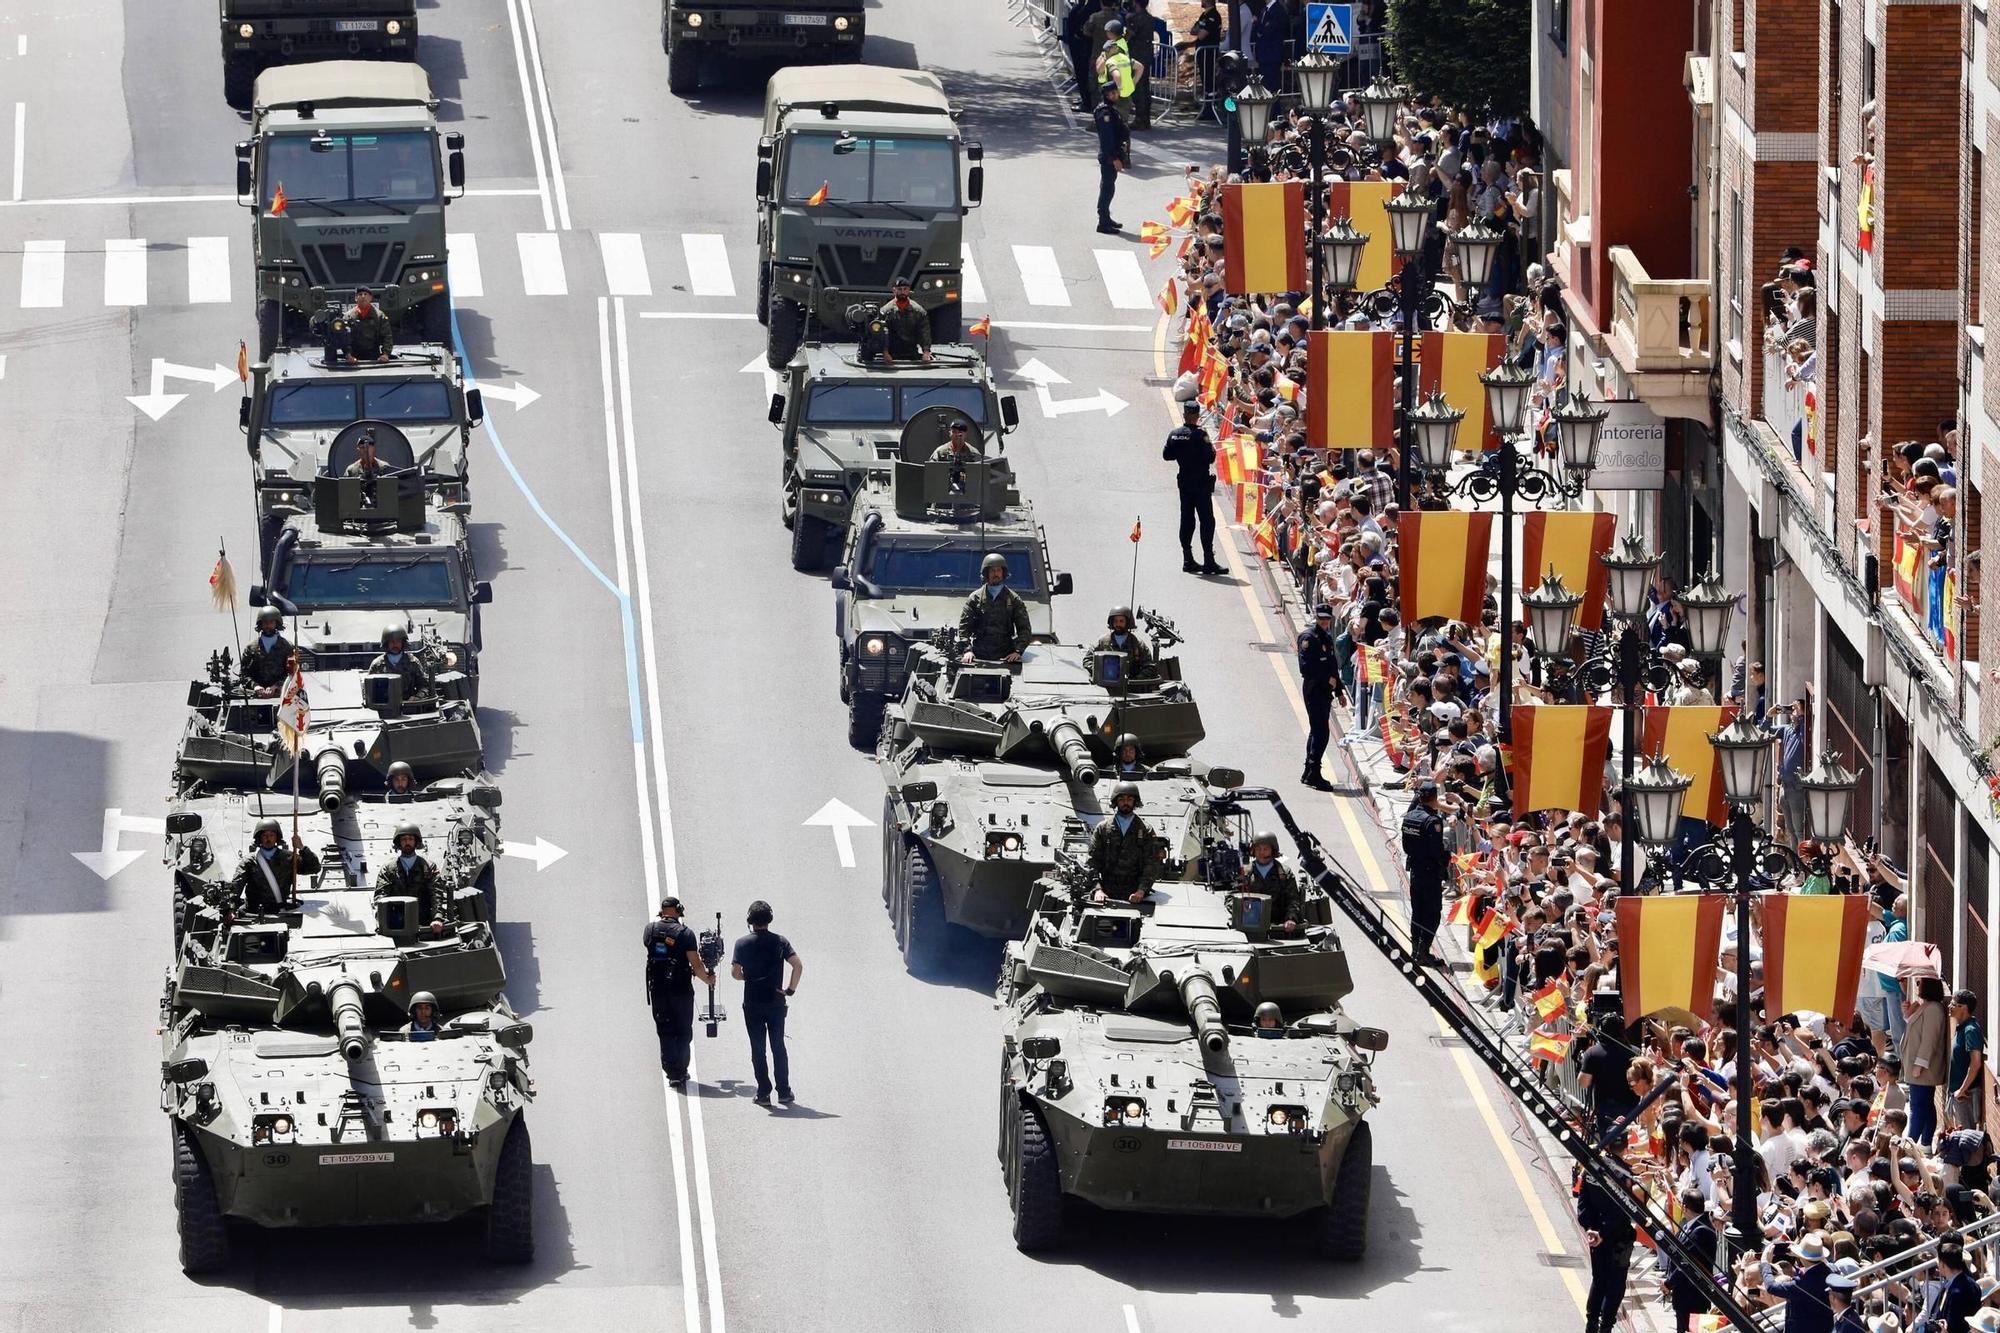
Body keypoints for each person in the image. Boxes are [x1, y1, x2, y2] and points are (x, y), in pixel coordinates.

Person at [732, 900, 802, 1105]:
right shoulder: (780, 941)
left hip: (752, 1002)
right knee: (778, 1046)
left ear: (750, 921)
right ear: (769, 919)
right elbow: (797, 965)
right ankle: (784, 1091)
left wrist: (749, 978)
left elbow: (735, 974)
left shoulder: (742, 943)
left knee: (758, 1048)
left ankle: (763, 1092)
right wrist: (789, 990)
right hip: (776, 1002)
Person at [643, 896, 713, 1087]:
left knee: (664, 1031)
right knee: (683, 1031)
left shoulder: (649, 930)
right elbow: (696, 965)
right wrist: (708, 979)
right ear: (678, 909)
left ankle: (672, 1072)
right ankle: (681, 1070)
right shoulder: (685, 933)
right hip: (680, 991)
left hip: (657, 990)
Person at [1578, 1135, 1638, 1333]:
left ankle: (1592, 1322)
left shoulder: (1590, 1171)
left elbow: (1583, 1205)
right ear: (1626, 1147)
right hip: (1617, 1238)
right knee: (1616, 1283)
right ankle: (1605, 1326)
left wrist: (1591, 1229)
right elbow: (1622, 1212)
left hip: (1597, 1237)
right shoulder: (1624, 1175)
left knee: (1599, 1279)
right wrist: (1602, 1232)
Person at [1161, 399, 1222, 574]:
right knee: (1207, 521)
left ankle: (1187, 558)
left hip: (1185, 483)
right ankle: (1208, 559)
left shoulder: (1175, 434)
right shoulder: (1201, 435)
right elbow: (1210, 457)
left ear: (1184, 415)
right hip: (1201, 484)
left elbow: (1167, 455)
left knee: (1186, 519)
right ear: (1197, 416)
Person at [1400, 782, 1448, 966]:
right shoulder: (1432, 821)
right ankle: (1423, 951)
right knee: (1433, 913)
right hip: (1430, 873)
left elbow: (1406, 846)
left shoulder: (1410, 816)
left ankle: (1415, 949)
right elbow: (1436, 851)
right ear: (1434, 798)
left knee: (1418, 912)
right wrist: (1446, 857)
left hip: (1415, 872)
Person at [1660, 1187, 1720, 1333]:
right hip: (1683, 1294)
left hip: (1693, 1296)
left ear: (1684, 1207)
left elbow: (1687, 1264)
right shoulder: (1689, 1225)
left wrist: (1668, 1283)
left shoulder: (1701, 1231)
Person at [375, 821, 450, 935]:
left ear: (416, 842)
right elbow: (381, 896)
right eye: (404, 839)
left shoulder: (428, 867)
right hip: (395, 923)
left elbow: (436, 893)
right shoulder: (388, 868)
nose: (407, 842)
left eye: (410, 839)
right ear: (399, 843)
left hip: (424, 923)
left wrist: (437, 918)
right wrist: (381, 921)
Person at [232, 817, 321, 913]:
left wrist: (302, 848)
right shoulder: (249, 861)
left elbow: (314, 868)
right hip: (254, 911)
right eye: (264, 835)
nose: (268, 838)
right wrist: (231, 909)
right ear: (259, 838)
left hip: (280, 910)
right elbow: (236, 885)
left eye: (271, 835)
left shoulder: (289, 858)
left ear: (277, 837)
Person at [1752, 1230, 1832, 1333]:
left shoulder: (1803, 1283)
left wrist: (1765, 1263)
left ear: (1802, 1257)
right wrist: (1799, 1253)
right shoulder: (1828, 1271)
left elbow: (1771, 1287)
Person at [958, 553, 1033, 663]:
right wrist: (967, 650)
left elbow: (1024, 629)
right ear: (986, 573)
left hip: (1006, 655)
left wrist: (1017, 651)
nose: (996, 574)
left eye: (998, 570)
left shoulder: (1013, 599)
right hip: (979, 654)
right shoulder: (975, 598)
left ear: (1003, 573)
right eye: (992, 570)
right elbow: (964, 628)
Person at [1090, 781, 1157, 903]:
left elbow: (1151, 864)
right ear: (1116, 801)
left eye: (1129, 799)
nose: (1126, 803)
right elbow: (1093, 862)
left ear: (1135, 802)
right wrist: (1097, 889)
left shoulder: (1145, 830)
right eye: (1121, 799)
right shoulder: (1103, 828)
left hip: (1135, 893)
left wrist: (1141, 890)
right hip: (1106, 892)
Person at [1905, 975, 1951, 1146]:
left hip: (1923, 1069)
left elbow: (1929, 1039)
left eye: (1919, 983)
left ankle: (1909, 1144)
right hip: (1919, 1068)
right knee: (1926, 1106)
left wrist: (1919, 1064)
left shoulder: (1933, 1009)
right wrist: (1909, 1014)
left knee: (1917, 1107)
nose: (1917, 986)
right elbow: (1914, 1031)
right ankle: (1925, 1143)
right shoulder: (1925, 1007)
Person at [1297, 603, 1338, 790]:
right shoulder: (1309, 638)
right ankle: (1314, 771)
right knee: (1320, 732)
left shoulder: (1326, 637)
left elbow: (1331, 664)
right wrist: (1327, 679)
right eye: (1321, 619)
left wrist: (1338, 689)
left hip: (1325, 690)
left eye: (1327, 619)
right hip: (1314, 688)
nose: (1324, 622)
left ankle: (1309, 770)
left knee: (1318, 731)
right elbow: (1306, 668)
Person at [1241, 829, 1306, 935]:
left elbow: (1293, 900)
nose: (1261, 852)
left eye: (1265, 849)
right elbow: (1232, 898)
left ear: (1272, 850)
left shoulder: (1284, 873)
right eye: (1258, 849)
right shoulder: (1245, 873)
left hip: (1279, 928)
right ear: (1253, 850)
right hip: (1249, 927)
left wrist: (1291, 918)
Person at [1093, 79, 1129, 235]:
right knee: (1107, 188)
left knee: (1109, 186)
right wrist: (1114, 158)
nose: (1115, 95)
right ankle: (1103, 221)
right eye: (1112, 93)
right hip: (1109, 156)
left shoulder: (1111, 109)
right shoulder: (1105, 112)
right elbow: (1107, 139)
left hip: (1113, 154)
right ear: (1106, 95)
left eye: (1116, 92)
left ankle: (1106, 218)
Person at [1949, 989, 1985, 1130]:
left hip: (1966, 1096)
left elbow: (1975, 1063)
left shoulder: (1970, 1030)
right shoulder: (1961, 1028)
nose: (1949, 1007)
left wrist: (1962, 1089)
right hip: (1957, 1094)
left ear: (1963, 1007)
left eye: (1953, 1004)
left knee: (1966, 1139)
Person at [239, 606, 294, 695]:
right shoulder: (251, 648)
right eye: (265, 622)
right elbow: (244, 674)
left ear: (277, 623)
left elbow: (292, 674)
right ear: (260, 624)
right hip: (255, 696)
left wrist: (276, 686)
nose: (268, 625)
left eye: (271, 622)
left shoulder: (287, 647)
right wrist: (255, 686)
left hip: (281, 695)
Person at [368, 623, 433, 698]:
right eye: (391, 641)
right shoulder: (377, 664)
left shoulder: (413, 662)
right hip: (384, 707)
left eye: (398, 641)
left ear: (403, 642)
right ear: (386, 643)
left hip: (409, 706)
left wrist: (418, 697)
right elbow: (369, 689)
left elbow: (424, 686)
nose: (395, 644)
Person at [1093, 606, 1158, 679]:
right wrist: (1098, 673)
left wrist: (1138, 678)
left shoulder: (1137, 643)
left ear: (1127, 622)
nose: (1118, 624)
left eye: (1121, 621)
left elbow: (1149, 665)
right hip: (1107, 687)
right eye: (1116, 621)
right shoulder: (1103, 641)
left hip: (1131, 687)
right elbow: (1088, 660)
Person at [879, 276, 932, 362]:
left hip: (912, 352)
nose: (902, 292)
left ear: (909, 290)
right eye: (899, 289)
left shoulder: (918, 311)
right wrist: (885, 353)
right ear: (894, 290)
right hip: (892, 354)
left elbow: (924, 332)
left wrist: (926, 352)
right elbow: (882, 334)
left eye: (905, 289)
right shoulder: (885, 311)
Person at [344, 287, 394, 363]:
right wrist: (348, 355)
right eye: (360, 294)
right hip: (353, 356)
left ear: (371, 298)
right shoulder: (348, 316)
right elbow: (343, 338)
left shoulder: (379, 316)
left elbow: (387, 336)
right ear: (355, 298)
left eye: (365, 294)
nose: (363, 297)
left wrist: (386, 354)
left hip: (374, 355)